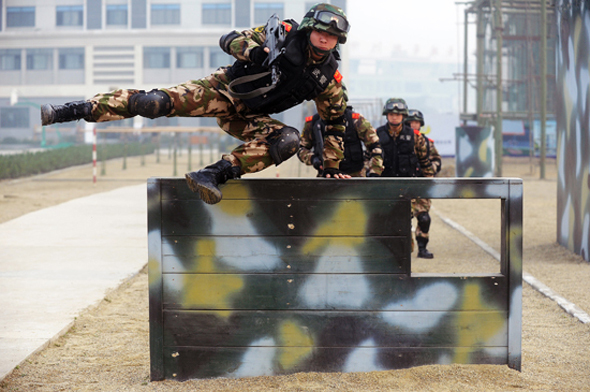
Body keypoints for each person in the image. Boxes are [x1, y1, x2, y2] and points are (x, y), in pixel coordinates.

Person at [40, 3, 351, 204]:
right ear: (310, 28)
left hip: (250, 116)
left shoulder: (328, 79)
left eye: (332, 36)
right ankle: (72, 110)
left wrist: (331, 167)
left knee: (287, 140)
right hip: (221, 90)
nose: (325, 38)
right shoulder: (283, 34)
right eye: (321, 31)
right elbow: (230, 39)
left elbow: (335, 123)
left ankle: (212, 175)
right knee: (152, 103)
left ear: (338, 42)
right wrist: (255, 53)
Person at [375, 98, 435, 258]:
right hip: (384, 188)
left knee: (417, 219)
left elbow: (425, 162)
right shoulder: (376, 135)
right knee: (385, 222)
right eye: (391, 114)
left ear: (403, 116)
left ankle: (415, 250)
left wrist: (428, 185)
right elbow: (369, 159)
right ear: (386, 115)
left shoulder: (415, 137)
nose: (394, 117)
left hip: (409, 187)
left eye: (398, 114)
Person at [298, 105, 384, 177]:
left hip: (355, 176)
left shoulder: (356, 120)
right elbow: (301, 149)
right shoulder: (313, 123)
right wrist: (313, 159)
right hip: (327, 176)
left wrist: (374, 173)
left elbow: (376, 147)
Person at [405, 109, 442, 259]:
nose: (414, 125)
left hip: (421, 185)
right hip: (404, 183)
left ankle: (422, 248)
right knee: (402, 219)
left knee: (424, 218)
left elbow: (437, 161)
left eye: (417, 122)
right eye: (411, 122)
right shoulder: (401, 140)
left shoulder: (427, 143)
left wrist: (428, 170)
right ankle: (404, 248)